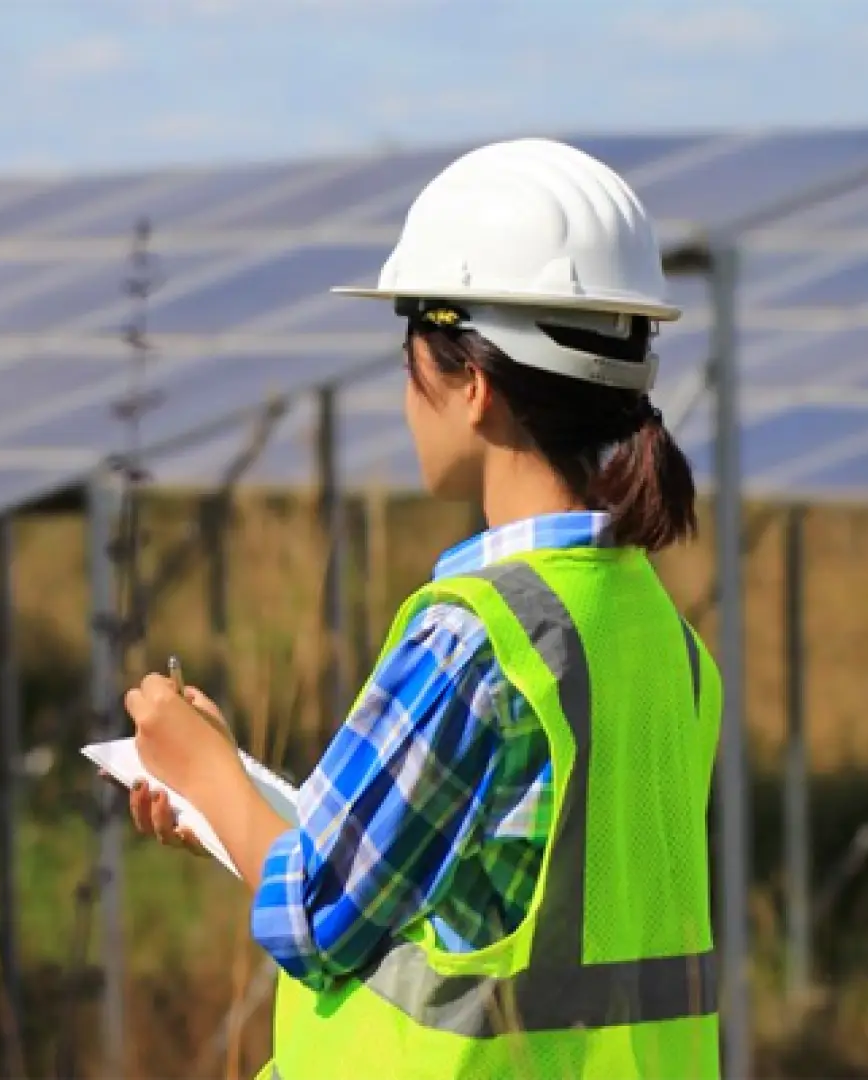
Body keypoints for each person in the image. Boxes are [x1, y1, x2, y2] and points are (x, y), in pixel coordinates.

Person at [122, 138, 723, 1079]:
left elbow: (316, 919)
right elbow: (485, 906)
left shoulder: (475, 641)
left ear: (473, 387)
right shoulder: (666, 641)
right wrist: (232, 812)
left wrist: (206, 773)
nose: (406, 401)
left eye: (410, 365)